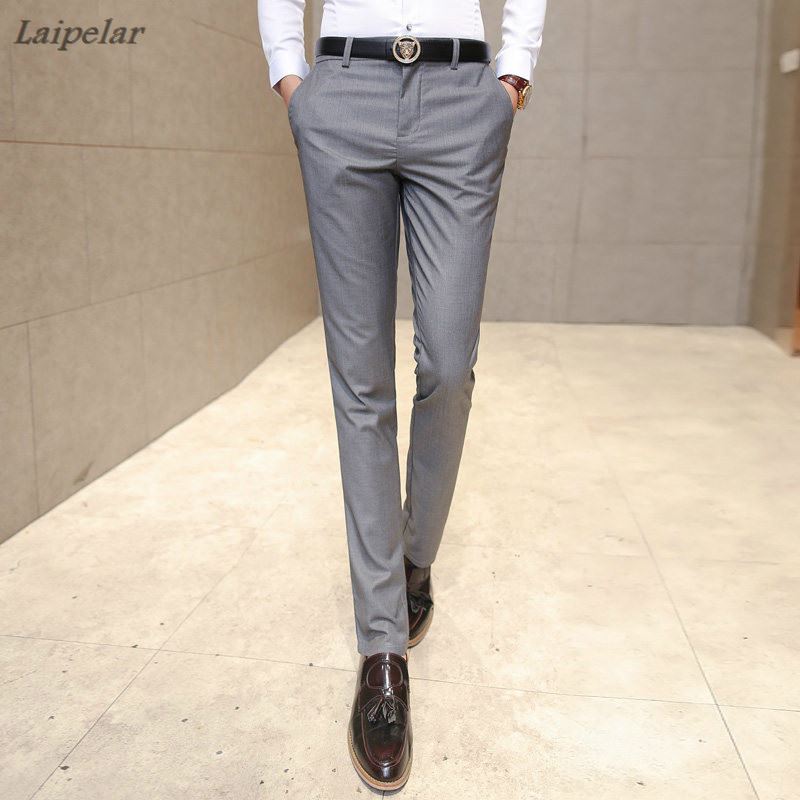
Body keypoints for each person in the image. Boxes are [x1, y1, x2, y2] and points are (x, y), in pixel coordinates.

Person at [257, 0, 546, 790]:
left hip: (463, 96)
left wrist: (514, 74)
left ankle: (413, 557)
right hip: (341, 90)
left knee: (448, 366)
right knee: (361, 381)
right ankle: (382, 649)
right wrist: (291, 77)